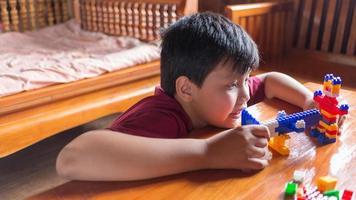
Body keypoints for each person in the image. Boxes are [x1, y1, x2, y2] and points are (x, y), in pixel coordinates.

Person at [55, 12, 321, 181]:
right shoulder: (160, 116)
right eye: (232, 84)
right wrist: (207, 152)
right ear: (186, 89)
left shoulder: (221, 95)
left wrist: (310, 101)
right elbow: (71, 158)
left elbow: (272, 79)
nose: (246, 93)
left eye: (245, 79)